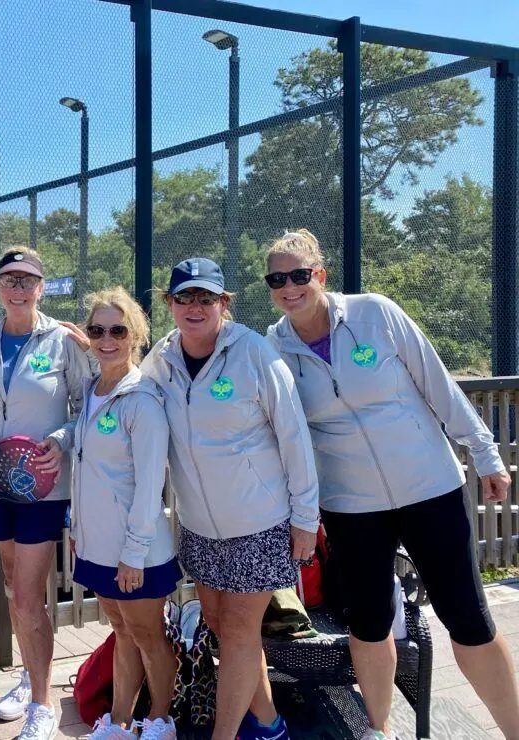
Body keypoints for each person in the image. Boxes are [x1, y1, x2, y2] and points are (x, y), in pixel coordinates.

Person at [265, 229, 519, 740]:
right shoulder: (274, 346)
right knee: (369, 623)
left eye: (299, 275)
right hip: (351, 506)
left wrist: (487, 454)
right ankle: (378, 732)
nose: (289, 287)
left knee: (467, 620)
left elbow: (439, 386)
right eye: (277, 279)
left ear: (321, 274)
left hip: (430, 489)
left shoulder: (374, 313)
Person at [141, 257, 319, 740]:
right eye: (184, 297)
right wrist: (94, 354)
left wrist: (305, 517)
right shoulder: (159, 359)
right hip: (198, 525)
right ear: (170, 304)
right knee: (220, 625)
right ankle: (269, 723)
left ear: (224, 304)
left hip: (259, 523)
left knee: (241, 632)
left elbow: (294, 435)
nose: (194, 307)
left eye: (206, 298)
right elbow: (127, 405)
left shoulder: (254, 352)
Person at [0, 246, 92, 740]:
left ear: (40, 288)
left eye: (27, 280)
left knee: (30, 596)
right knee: (16, 588)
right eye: (9, 280)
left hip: (43, 489)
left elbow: (87, 406)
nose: (18, 288)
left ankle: (42, 703)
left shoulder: (63, 341)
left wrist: (61, 442)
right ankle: (27, 676)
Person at [64, 287, 179, 740]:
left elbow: (151, 486)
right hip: (97, 544)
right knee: (121, 629)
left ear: (135, 336)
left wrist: (134, 553)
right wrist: (78, 527)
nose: (106, 339)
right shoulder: (93, 390)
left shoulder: (143, 399)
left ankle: (161, 721)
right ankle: (119, 722)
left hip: (138, 550)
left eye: (117, 330)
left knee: (149, 636)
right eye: (97, 330)